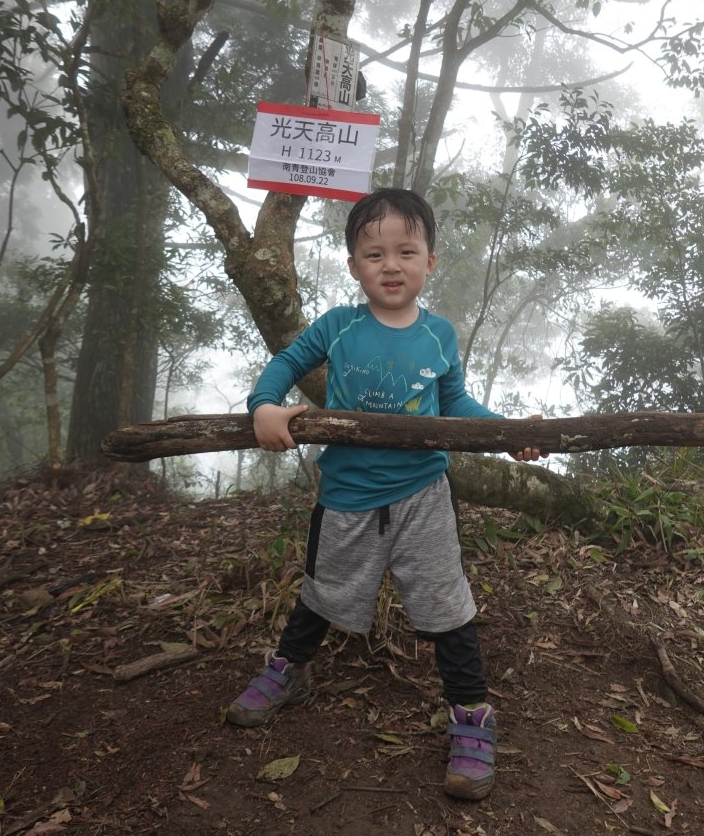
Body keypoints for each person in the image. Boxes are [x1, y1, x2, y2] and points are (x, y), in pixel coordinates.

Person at [227, 187, 545, 800]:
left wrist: (506, 433)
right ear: (354, 266)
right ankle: (290, 673)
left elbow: (453, 404)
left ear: (429, 262)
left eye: (406, 251)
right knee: (321, 593)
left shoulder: (438, 336)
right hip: (346, 493)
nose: (390, 264)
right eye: (374, 254)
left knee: (447, 606)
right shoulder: (339, 327)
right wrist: (264, 405)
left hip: (422, 494)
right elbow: (285, 362)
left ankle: (472, 716)